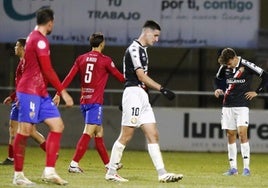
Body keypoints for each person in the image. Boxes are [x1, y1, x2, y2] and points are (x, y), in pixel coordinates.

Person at [105, 20, 183, 183]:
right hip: (133, 94)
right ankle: (111, 172)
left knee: (153, 134)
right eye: (155, 35)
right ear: (147, 32)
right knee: (126, 135)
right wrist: (162, 89)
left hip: (141, 96)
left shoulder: (143, 51)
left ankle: (162, 173)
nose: (157, 39)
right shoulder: (134, 48)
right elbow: (140, 76)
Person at [12, 7, 73, 186]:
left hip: (40, 92)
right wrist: (63, 91)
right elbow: (47, 69)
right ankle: (18, 176)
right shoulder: (39, 40)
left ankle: (49, 171)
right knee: (24, 131)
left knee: (57, 125)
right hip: (29, 91)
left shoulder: (34, 37)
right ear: (50, 22)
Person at [53, 32, 125, 173]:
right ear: (102, 43)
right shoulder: (105, 60)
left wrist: (58, 93)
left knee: (98, 133)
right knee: (88, 132)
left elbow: (69, 77)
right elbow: (119, 77)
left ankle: (108, 165)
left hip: (84, 101)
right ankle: (74, 164)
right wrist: (134, 83)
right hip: (95, 102)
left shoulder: (81, 59)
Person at [214, 48, 268, 176]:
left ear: (234, 58)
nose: (227, 66)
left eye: (229, 63)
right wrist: (217, 89)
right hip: (227, 105)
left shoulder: (246, 65)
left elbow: (265, 76)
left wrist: (257, 92)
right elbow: (217, 79)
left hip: (242, 105)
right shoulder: (224, 66)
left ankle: (246, 168)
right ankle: (233, 169)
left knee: (242, 133)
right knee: (230, 135)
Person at [1, 38, 47, 166]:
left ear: (23, 47)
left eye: (17, 45)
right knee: (15, 129)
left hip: (24, 100)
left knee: (29, 131)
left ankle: (51, 152)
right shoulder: (22, 62)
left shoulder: (27, 63)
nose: (15, 48)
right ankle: (11, 158)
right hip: (20, 99)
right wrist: (12, 96)